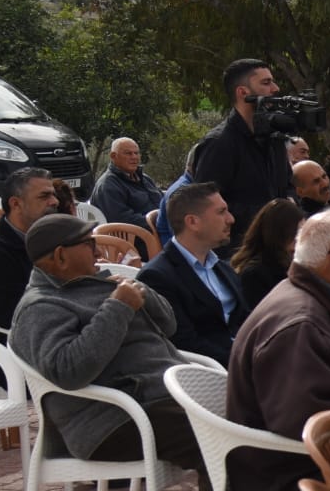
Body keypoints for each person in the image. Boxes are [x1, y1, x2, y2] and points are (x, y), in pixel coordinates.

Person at [11, 213, 283, 491]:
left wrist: (140, 293)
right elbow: (68, 370)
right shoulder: (40, 307)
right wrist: (118, 308)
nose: (98, 251)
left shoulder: (97, 282)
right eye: (88, 245)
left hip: (158, 399)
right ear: (59, 256)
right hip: (111, 419)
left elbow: (168, 326)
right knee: (222, 442)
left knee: (256, 415)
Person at [226, 209, 330, 491]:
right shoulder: (302, 324)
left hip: (302, 470)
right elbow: (317, 430)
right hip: (290, 483)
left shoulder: (320, 300)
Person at [136, 181, 244, 366]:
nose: (231, 219)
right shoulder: (157, 277)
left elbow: (245, 316)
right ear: (193, 222)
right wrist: (248, 360)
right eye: (221, 212)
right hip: (213, 372)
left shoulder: (222, 268)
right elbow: (185, 344)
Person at [189, 59, 294, 248]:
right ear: (243, 92)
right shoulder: (219, 144)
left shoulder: (274, 138)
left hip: (277, 245)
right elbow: (204, 205)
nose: (275, 89)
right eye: (266, 83)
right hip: (238, 250)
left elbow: (287, 185)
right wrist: (269, 213)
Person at [0, 165, 62, 339]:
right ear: (16, 204)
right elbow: (15, 317)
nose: (55, 201)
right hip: (31, 347)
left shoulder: (54, 241)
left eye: (53, 195)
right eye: (44, 196)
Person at [230, 198, 304, 311]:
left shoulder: (298, 264)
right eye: (294, 235)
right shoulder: (255, 274)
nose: (299, 242)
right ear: (278, 235)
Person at [89, 138, 163, 233]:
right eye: (128, 153)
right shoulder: (108, 185)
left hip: (162, 230)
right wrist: (162, 221)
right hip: (137, 237)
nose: (134, 157)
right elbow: (123, 220)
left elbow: (163, 201)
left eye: (136, 153)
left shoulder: (145, 179)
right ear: (113, 156)